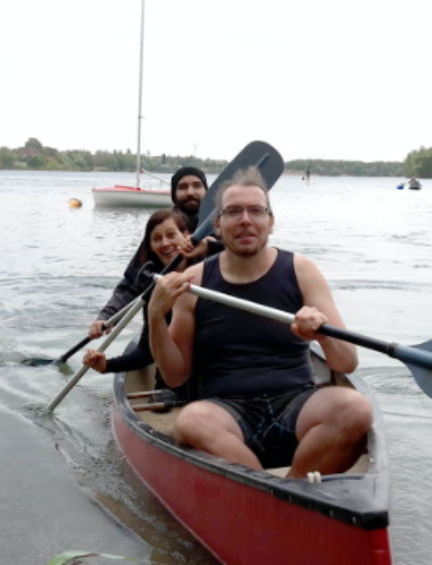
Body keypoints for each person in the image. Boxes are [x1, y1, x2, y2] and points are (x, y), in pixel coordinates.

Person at [148, 167, 372, 479]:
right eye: (233, 211)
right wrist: (156, 316)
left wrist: (321, 334)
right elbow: (174, 376)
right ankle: (275, 497)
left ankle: (289, 490)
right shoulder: (194, 282)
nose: (245, 220)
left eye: (256, 210)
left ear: (270, 221)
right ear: (217, 223)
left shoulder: (301, 270)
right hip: (227, 413)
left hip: (296, 404)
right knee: (190, 421)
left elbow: (346, 362)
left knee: (356, 409)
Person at [88, 166, 219, 339]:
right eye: (182, 187)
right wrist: (107, 316)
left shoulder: (223, 228)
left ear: (206, 191)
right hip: (171, 325)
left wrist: (213, 246)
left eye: (196, 186)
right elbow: (131, 283)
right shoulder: (162, 229)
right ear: (173, 194)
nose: (190, 192)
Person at [82, 209, 198, 397]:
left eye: (171, 235)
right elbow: (147, 351)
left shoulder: (210, 270)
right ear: (151, 246)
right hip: (175, 382)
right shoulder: (155, 289)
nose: (165, 243)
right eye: (157, 238)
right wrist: (106, 366)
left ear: (186, 236)